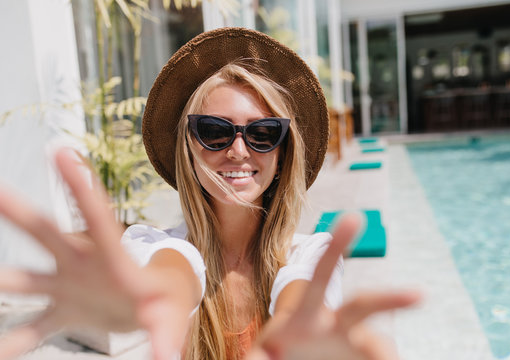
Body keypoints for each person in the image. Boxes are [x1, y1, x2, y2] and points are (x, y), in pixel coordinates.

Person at [0, 28, 419, 360]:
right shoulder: (159, 247)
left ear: (282, 154)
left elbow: (299, 302)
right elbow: (174, 274)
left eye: (262, 133)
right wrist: (149, 295)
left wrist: (299, 332)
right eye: (215, 131)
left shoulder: (308, 256)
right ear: (189, 145)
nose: (238, 149)